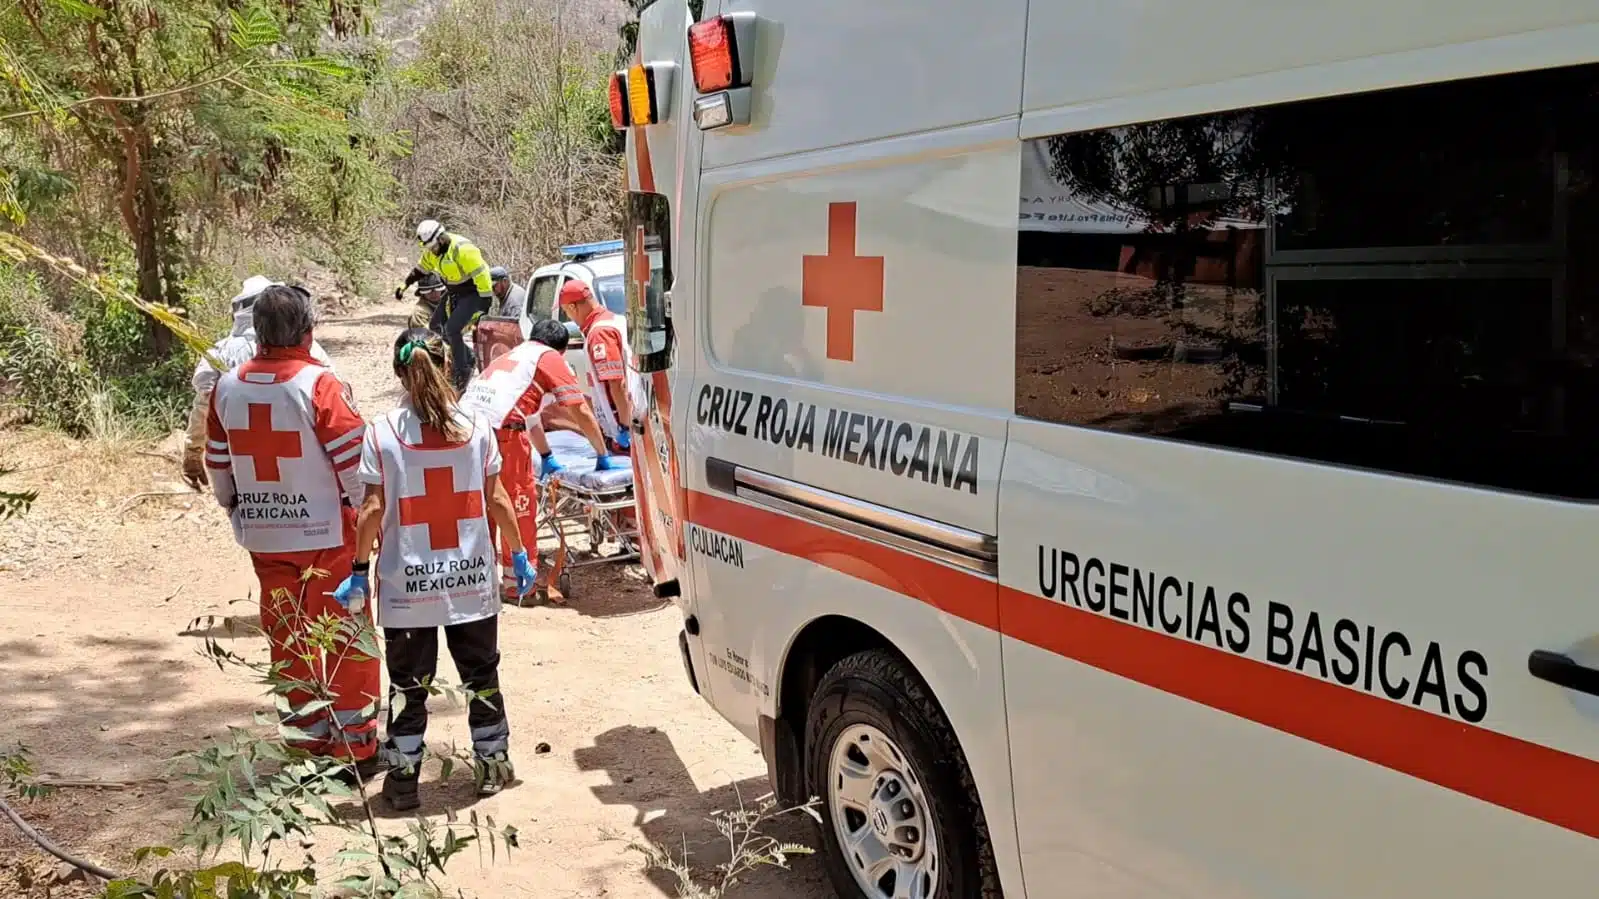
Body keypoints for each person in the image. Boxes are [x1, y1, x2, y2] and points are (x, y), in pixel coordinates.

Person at [332, 328, 536, 810]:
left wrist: (359, 569)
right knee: (481, 673)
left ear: (398, 373)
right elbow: (499, 501)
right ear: (448, 366)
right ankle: (492, 764)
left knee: (408, 685)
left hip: (407, 588)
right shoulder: (477, 428)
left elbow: (371, 511)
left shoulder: (381, 433)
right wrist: (520, 553)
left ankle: (403, 780)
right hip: (471, 583)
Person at [203, 285, 381, 777]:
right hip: (326, 535)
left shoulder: (225, 386)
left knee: (288, 637)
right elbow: (353, 464)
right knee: (346, 636)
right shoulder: (319, 385)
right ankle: (356, 747)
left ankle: (306, 744)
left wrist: (237, 510)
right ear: (308, 330)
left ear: (256, 332)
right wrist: (366, 519)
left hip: (264, 536)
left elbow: (218, 465)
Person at [459, 318, 616, 601]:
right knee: (517, 503)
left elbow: (531, 419)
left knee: (481, 506)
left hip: (465, 429)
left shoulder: (516, 357)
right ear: (562, 350)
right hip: (502, 433)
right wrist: (602, 453)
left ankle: (476, 580)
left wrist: (545, 455)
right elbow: (579, 409)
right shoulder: (550, 358)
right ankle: (519, 583)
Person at [183, 276, 335, 489]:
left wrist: (193, 451)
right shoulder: (309, 347)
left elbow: (204, 406)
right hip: (304, 462)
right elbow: (332, 401)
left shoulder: (220, 352)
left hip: (245, 465)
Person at [395, 220, 494, 391]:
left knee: (452, 329)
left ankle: (461, 370)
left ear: (440, 239)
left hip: (474, 292)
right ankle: (465, 356)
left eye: (433, 247)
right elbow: (421, 269)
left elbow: (482, 275)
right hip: (454, 291)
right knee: (435, 326)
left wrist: (484, 304)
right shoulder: (432, 252)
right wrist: (405, 285)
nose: (432, 251)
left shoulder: (463, 249)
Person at [557, 279, 646, 456]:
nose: (570, 318)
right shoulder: (616, 320)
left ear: (574, 307)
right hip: (636, 413)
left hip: (624, 426)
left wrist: (625, 426)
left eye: (567, 312)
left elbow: (616, 383)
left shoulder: (599, 333)